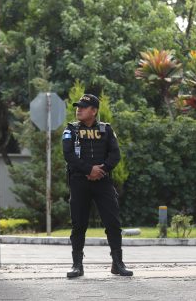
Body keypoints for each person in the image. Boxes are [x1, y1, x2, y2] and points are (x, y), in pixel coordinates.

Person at [62, 93, 132, 278]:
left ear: (94, 111)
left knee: (113, 223)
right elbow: (68, 155)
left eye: (84, 107)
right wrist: (88, 170)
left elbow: (115, 154)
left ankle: (117, 263)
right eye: (78, 106)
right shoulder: (71, 130)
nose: (79, 109)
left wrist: (101, 170)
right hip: (79, 182)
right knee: (79, 224)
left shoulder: (106, 130)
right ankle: (77, 265)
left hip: (102, 182)